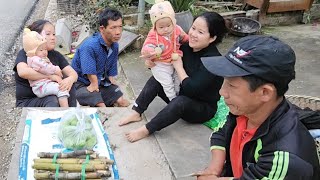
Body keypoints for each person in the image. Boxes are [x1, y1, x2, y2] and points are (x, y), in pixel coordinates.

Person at [198, 35, 320, 180]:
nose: (222, 92)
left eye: (231, 85)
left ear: (265, 92)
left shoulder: (282, 159)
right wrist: (214, 168)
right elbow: (222, 132)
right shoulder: (244, 111)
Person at [119, 12, 228, 143]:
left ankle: (146, 129)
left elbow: (191, 90)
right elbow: (164, 61)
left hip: (201, 108)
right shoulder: (186, 47)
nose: (193, 34)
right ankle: (137, 112)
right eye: (193, 28)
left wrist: (179, 67)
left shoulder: (213, 61)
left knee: (180, 101)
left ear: (212, 38)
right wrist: (151, 61)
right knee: (157, 80)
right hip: (180, 92)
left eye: (200, 32)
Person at [71, 8, 129, 107]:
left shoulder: (115, 45)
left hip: (100, 81)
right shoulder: (90, 46)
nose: (118, 32)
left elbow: (112, 65)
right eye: (113, 27)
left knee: (121, 101)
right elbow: (89, 71)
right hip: (80, 84)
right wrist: (94, 84)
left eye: (120, 27)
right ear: (102, 29)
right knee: (101, 105)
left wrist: (111, 79)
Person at [14, 20, 78, 107]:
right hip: (28, 101)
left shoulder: (56, 55)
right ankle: (61, 116)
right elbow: (23, 72)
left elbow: (73, 73)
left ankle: (71, 115)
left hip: (49, 93)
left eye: (54, 34)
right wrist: (50, 76)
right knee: (52, 99)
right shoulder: (28, 53)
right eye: (48, 34)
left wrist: (69, 80)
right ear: (37, 36)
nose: (53, 37)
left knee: (67, 85)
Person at [142, 0, 188, 101]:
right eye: (161, 27)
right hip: (160, 63)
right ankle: (172, 99)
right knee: (167, 83)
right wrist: (150, 51)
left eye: (168, 25)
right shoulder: (154, 35)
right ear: (155, 27)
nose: (166, 29)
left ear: (173, 22)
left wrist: (188, 40)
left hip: (174, 60)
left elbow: (184, 37)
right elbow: (147, 45)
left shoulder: (177, 29)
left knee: (177, 79)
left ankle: (177, 94)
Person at [22, 28, 69, 107]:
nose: (44, 52)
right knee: (62, 90)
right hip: (41, 86)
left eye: (45, 49)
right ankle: (65, 110)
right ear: (32, 51)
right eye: (41, 50)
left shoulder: (39, 58)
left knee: (64, 88)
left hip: (46, 83)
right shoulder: (35, 60)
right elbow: (46, 68)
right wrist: (56, 69)